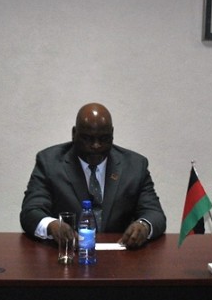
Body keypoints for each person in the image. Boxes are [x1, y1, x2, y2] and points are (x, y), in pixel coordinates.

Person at [20, 103, 166, 249]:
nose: (96, 145)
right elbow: (30, 211)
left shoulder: (135, 166)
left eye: (104, 138)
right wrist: (51, 225)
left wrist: (144, 225)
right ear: (74, 133)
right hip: (69, 255)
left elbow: (155, 214)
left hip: (120, 257)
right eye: (88, 139)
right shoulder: (50, 162)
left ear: (112, 134)